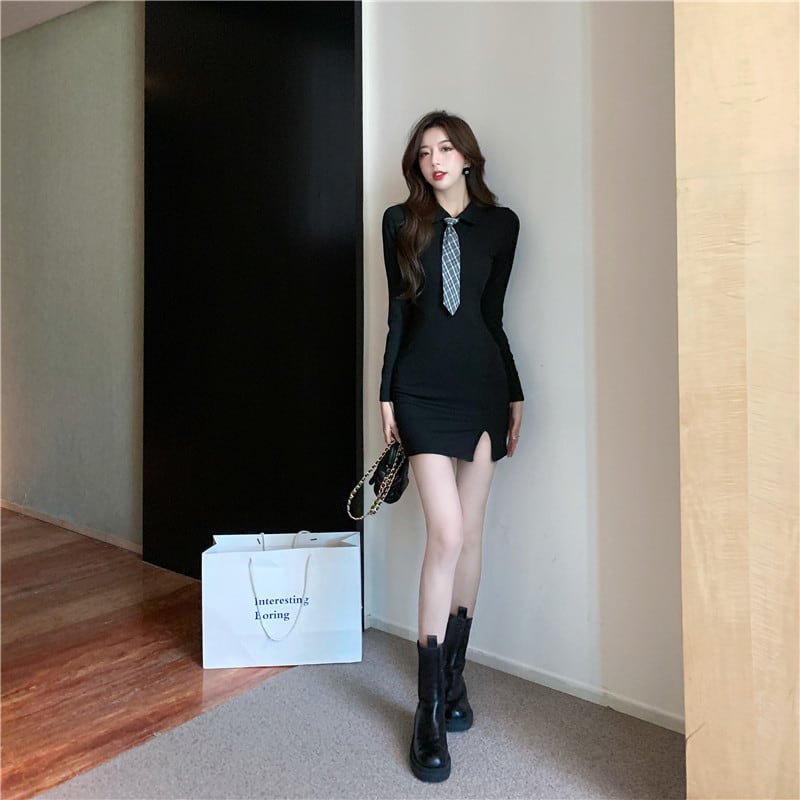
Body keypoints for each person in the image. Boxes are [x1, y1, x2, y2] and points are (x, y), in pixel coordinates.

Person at [379, 110, 524, 783]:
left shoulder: (503, 226)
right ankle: (428, 708)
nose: (435, 160)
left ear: (468, 157)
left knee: (471, 534)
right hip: (421, 391)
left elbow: (493, 317)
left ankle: (455, 676)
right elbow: (398, 315)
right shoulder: (400, 222)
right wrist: (386, 395)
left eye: (446, 148)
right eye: (424, 152)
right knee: (446, 532)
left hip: (483, 391)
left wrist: (514, 392)